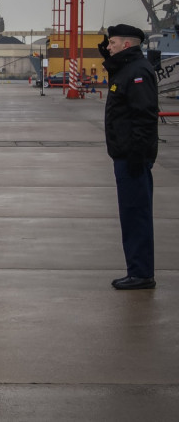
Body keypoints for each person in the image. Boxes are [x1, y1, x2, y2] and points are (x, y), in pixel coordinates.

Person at [98, 24, 158, 290]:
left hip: (132, 156)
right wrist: (110, 58)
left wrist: (138, 153)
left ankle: (141, 273)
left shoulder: (138, 73)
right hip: (124, 154)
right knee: (131, 214)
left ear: (126, 45)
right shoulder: (127, 69)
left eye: (112, 43)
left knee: (136, 214)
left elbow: (144, 116)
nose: (108, 47)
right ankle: (137, 269)